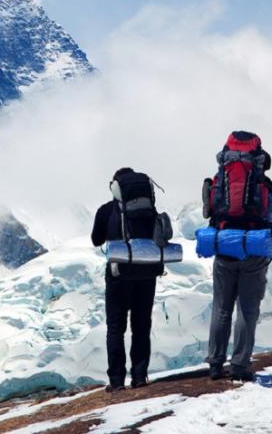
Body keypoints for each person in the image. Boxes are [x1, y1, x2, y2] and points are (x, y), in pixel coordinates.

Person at [202, 131, 272, 381]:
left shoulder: (218, 180)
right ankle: (239, 365)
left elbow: (209, 212)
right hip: (254, 250)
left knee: (221, 308)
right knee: (247, 309)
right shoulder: (266, 185)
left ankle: (216, 364)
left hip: (225, 248)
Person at [91, 167, 164, 392]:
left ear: (116, 187)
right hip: (146, 274)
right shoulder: (149, 210)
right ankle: (140, 376)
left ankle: (116, 381)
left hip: (118, 274)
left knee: (116, 328)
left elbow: (96, 240)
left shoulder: (106, 210)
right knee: (142, 326)